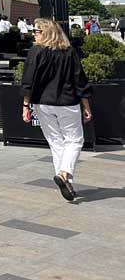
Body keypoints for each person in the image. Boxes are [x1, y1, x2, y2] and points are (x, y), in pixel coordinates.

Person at [21, 18, 93, 201]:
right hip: (67, 102)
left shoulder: (35, 52)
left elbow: (27, 81)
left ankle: (64, 179)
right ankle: (64, 174)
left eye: (36, 31)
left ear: (46, 32)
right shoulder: (69, 52)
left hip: (43, 103)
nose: (34, 34)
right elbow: (80, 80)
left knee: (55, 142)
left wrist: (25, 105)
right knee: (74, 140)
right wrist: (86, 106)